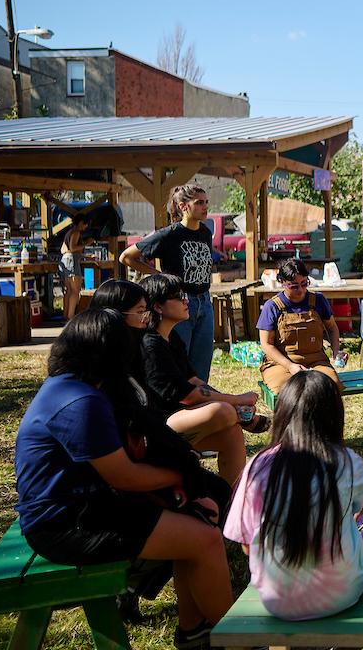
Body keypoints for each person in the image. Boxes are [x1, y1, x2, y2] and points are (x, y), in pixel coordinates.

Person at [14, 309, 233, 650]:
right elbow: (125, 477)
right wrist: (180, 475)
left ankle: (194, 630)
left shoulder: (71, 386)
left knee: (199, 518)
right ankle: (240, 637)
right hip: (63, 525)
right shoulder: (80, 401)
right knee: (204, 540)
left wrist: (183, 483)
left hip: (84, 506)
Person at [224, 369, 363, 620]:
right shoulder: (349, 462)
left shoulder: (258, 466)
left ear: (282, 413)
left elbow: (246, 544)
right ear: (334, 415)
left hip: (277, 599)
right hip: (344, 593)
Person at [139, 273, 265, 486]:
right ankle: (244, 418)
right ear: (158, 307)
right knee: (223, 411)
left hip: (180, 417)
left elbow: (194, 381)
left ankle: (233, 499)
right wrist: (237, 400)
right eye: (179, 297)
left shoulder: (171, 337)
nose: (186, 301)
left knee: (232, 433)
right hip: (156, 426)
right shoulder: (150, 345)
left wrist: (234, 401)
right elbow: (188, 396)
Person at [120, 184, 216, 382]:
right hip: (177, 302)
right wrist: (158, 275)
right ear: (183, 206)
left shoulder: (206, 233)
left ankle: (200, 399)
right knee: (178, 363)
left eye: (206, 202)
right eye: (199, 202)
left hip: (205, 301)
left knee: (201, 364)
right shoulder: (169, 234)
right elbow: (127, 256)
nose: (205, 206)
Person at [258, 258, 348, 395]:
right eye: (294, 286)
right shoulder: (272, 306)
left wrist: (336, 352)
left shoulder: (318, 300)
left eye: (304, 284)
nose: (300, 290)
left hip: (316, 361)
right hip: (281, 364)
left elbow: (332, 328)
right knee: (288, 392)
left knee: (331, 386)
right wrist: (290, 366)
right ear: (282, 282)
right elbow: (266, 344)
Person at [58, 216, 91, 321]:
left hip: (65, 260)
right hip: (72, 261)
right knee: (75, 290)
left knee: (68, 290)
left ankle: (66, 314)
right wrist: (86, 243)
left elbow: (63, 249)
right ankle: (71, 316)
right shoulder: (76, 233)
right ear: (81, 222)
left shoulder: (69, 232)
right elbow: (73, 248)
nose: (86, 227)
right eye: (86, 224)